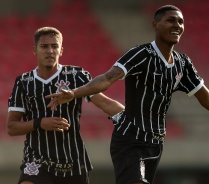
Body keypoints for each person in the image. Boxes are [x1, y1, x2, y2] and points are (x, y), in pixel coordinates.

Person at [46, 5, 209, 184]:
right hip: (130, 141)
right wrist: (74, 93)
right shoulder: (141, 54)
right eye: (171, 20)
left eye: (181, 21)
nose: (177, 25)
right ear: (155, 25)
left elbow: (208, 99)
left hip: (155, 145)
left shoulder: (183, 64)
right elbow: (107, 78)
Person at [7, 27, 124, 184]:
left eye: (54, 46)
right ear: (35, 50)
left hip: (73, 161)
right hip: (37, 160)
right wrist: (40, 123)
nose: (50, 51)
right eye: (44, 46)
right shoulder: (23, 82)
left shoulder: (76, 76)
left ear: (61, 50)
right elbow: (12, 127)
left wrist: (134, 120)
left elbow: (104, 103)